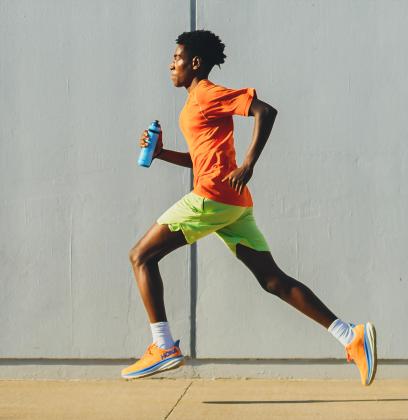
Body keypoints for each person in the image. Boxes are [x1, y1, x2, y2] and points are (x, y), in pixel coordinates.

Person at [121, 30, 377, 386]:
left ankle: (163, 346)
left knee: (141, 256)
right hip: (232, 203)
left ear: (195, 63)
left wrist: (249, 163)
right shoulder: (195, 102)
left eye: (177, 58)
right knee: (272, 280)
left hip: (212, 197)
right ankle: (350, 336)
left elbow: (264, 111)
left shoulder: (207, 92)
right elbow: (200, 159)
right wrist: (161, 153)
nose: (171, 64)